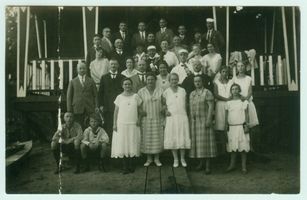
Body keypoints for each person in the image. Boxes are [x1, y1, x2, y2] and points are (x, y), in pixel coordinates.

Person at [112, 78, 142, 174]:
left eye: (129, 84)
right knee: (123, 144)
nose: (127, 86)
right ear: (122, 86)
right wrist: (114, 124)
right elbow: (116, 112)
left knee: (132, 143)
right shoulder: (119, 97)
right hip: (122, 124)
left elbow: (140, 110)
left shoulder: (136, 96)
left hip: (133, 123)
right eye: (125, 84)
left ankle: (131, 165)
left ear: (132, 85)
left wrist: (139, 119)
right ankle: (125, 167)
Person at [189, 75, 216, 174]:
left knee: (206, 143)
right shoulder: (192, 94)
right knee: (199, 144)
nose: (197, 83)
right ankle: (201, 163)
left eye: (199, 81)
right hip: (195, 122)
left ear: (202, 82)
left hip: (205, 120)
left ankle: (208, 165)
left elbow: (211, 107)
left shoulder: (207, 92)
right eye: (195, 81)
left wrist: (209, 119)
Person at [163, 73, 191, 167]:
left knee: (182, 137)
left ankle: (182, 159)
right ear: (169, 81)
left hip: (182, 117)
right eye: (172, 79)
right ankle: (175, 159)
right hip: (172, 118)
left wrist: (187, 115)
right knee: (173, 138)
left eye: (175, 79)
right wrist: (166, 111)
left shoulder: (183, 91)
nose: (174, 81)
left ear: (178, 80)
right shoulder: (166, 92)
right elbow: (163, 105)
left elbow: (186, 104)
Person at [138, 73, 164, 167]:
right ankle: (149, 159)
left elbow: (165, 103)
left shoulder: (160, 90)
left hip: (157, 118)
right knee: (147, 138)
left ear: (155, 80)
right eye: (148, 79)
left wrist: (163, 108)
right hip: (146, 119)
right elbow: (138, 105)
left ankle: (157, 159)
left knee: (157, 137)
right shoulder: (141, 91)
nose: (150, 81)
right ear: (146, 80)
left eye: (152, 79)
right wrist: (141, 111)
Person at [232, 61, 259, 150]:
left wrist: (246, 99)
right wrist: (239, 99)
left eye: (242, 66)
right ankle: (241, 146)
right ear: (237, 68)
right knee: (240, 125)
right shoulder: (234, 79)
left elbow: (250, 91)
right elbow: (234, 90)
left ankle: (250, 146)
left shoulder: (248, 78)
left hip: (247, 102)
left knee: (249, 125)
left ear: (245, 67)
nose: (240, 68)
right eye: (238, 66)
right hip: (238, 104)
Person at [225, 83, 250, 174]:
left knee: (243, 147)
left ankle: (244, 167)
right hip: (232, 128)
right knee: (233, 148)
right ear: (231, 91)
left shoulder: (244, 102)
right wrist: (225, 127)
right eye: (233, 89)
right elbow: (226, 117)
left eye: (236, 89)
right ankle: (232, 165)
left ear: (239, 90)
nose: (234, 91)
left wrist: (246, 125)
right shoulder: (228, 103)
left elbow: (247, 115)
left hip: (241, 127)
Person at [98, 59, 125, 138]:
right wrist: (101, 105)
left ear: (118, 66)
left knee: (119, 125)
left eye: (115, 64)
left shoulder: (122, 77)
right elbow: (100, 92)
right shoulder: (104, 77)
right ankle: (109, 144)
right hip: (108, 106)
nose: (113, 66)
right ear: (109, 66)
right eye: (112, 64)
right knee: (109, 125)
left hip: (120, 106)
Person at [67, 62, 98, 129]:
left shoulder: (91, 81)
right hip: (77, 108)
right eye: (80, 68)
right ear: (77, 70)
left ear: (86, 69)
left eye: (84, 68)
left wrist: (96, 106)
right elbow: (69, 97)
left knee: (90, 126)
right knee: (78, 126)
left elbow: (95, 95)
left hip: (89, 107)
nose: (82, 70)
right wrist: (69, 109)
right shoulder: (72, 81)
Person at [213, 66, 233, 154]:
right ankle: (223, 149)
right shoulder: (216, 82)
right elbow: (216, 94)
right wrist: (226, 99)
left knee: (230, 125)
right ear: (220, 72)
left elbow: (233, 92)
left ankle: (231, 147)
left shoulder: (231, 82)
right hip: (220, 105)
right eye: (223, 72)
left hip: (230, 105)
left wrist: (229, 99)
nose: (225, 73)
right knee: (221, 127)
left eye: (227, 72)